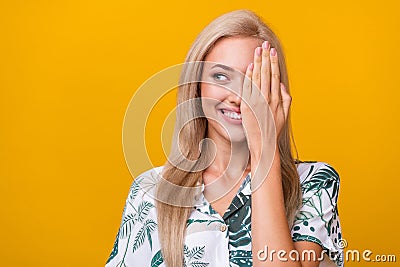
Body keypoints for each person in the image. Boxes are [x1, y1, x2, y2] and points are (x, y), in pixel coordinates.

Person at [105, 9, 343, 267]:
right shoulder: (150, 191)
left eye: (253, 81)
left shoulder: (313, 182)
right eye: (221, 76)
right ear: (197, 87)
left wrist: (265, 149)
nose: (237, 97)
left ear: (275, 92)